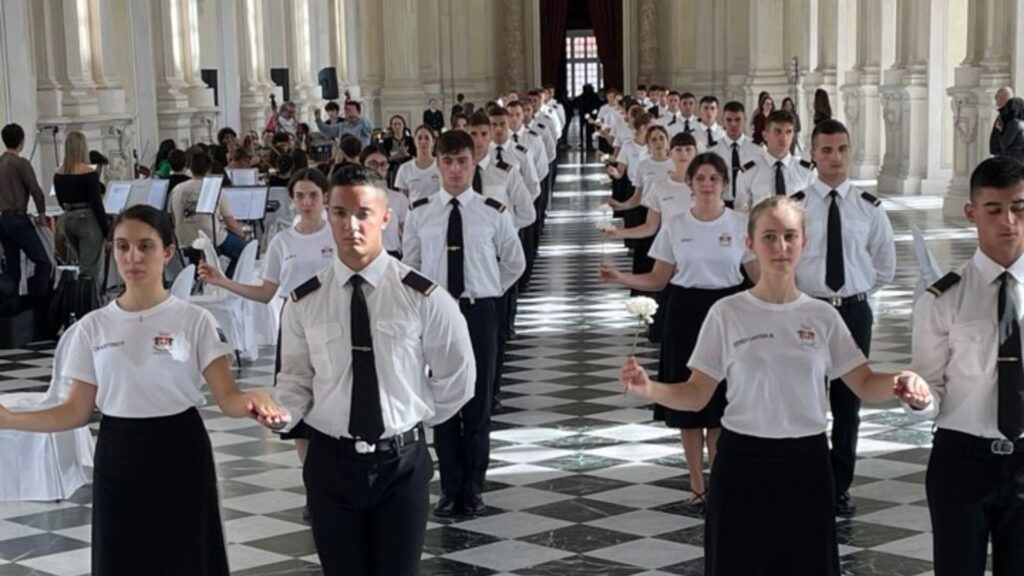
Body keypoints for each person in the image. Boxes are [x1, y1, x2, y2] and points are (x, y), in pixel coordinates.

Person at [619, 196, 931, 576]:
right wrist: (650, 389)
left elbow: (864, 382)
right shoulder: (727, 313)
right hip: (741, 463)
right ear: (749, 244)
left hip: (807, 464)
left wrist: (901, 381)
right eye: (769, 236)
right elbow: (697, 392)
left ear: (804, 243)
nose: (780, 247)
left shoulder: (822, 316)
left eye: (789, 236)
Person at [0, 204, 286, 575]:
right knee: (124, 558)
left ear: (167, 252)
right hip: (120, 452)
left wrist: (256, 398)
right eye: (122, 246)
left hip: (181, 447)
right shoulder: (93, 328)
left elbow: (229, 397)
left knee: (186, 555)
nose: (133, 257)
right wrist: (10, 419)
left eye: (145, 246)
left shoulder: (193, 319)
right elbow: (75, 411)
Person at [265, 165, 474, 575]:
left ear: (385, 216)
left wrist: (411, 417)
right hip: (330, 461)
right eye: (340, 213)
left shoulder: (423, 297)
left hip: (401, 463)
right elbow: (294, 380)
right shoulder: (304, 302)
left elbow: (458, 376)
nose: (350, 225)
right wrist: (281, 413)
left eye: (362, 213)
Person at [603, 153, 754, 512]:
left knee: (719, 405)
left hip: (728, 311)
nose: (706, 184)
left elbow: (756, 275)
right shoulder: (675, 226)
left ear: (724, 185)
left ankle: (718, 483)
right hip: (685, 312)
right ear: (690, 185)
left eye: (713, 179)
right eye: (700, 178)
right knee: (688, 405)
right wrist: (621, 277)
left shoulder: (739, 224)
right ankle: (697, 485)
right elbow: (658, 278)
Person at [906, 156, 1024, 576]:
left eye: (1019, 207)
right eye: (994, 209)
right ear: (972, 212)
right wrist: (918, 398)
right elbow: (931, 387)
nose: (1008, 220)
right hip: (962, 461)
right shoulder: (943, 298)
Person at [403, 130, 525, 518]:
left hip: (479, 311)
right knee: (442, 403)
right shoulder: (420, 212)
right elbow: (410, 268)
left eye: (462, 161)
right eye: (448, 161)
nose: (455, 169)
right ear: (437, 163)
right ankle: (449, 487)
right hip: (438, 314)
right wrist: (433, 304)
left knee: (476, 403)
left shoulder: (492, 211)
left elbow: (514, 263)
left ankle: (473, 488)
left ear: (474, 162)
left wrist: (487, 291)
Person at [794, 119, 896, 517]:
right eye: (826, 150)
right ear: (813, 155)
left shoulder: (868, 208)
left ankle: (839, 485)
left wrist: (853, 295)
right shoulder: (797, 205)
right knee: (806, 398)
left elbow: (884, 266)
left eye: (842, 149)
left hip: (853, 311)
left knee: (848, 402)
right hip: (808, 310)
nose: (835, 158)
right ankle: (807, 478)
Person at [168, 152, 250, 278]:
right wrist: (243, 234)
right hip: (211, 239)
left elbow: (173, 218)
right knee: (244, 251)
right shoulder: (215, 189)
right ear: (209, 169)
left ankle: (199, 280)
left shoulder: (177, 189)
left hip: (185, 240)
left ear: (190, 168)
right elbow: (231, 223)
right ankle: (229, 280)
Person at [54, 131, 109, 298]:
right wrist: (107, 231)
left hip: (68, 220)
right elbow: (97, 204)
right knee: (91, 269)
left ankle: (78, 304)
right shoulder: (88, 173)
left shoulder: (59, 173)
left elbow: (60, 201)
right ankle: (89, 306)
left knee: (80, 264)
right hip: (88, 221)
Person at [0, 123, 51, 298]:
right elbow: (36, 191)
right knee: (43, 262)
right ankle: (37, 304)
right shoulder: (21, 164)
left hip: (3, 220)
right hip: (18, 219)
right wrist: (42, 214)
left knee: (12, 268)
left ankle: (11, 311)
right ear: (21, 141)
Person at [734, 109, 816, 212]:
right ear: (765, 135)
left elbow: (814, 212)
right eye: (777, 131)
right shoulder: (749, 172)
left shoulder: (807, 172)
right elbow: (741, 213)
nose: (783, 137)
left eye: (788, 132)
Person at [709, 101, 763, 209]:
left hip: (749, 204)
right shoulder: (712, 151)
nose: (733, 124)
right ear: (722, 121)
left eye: (738, 119)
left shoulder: (758, 150)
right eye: (729, 120)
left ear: (745, 120)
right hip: (721, 203)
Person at [360, 145, 409, 259]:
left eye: (383, 164)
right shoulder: (352, 199)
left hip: (391, 256)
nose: (378, 169)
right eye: (373, 164)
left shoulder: (398, 199)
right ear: (362, 166)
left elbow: (408, 236)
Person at [394, 126, 440, 202]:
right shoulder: (404, 169)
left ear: (433, 142)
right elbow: (402, 198)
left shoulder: (443, 165)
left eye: (427, 138)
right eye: (419, 138)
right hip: (415, 212)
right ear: (414, 142)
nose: (423, 142)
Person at [990, 97, 1024, 163]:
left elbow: (1003, 145)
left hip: (1012, 160)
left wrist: (999, 131)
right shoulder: (1021, 123)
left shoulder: (1014, 123)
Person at [573, 83, 603, 152]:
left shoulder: (583, 96)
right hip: (588, 115)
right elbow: (598, 104)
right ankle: (588, 142)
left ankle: (585, 142)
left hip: (585, 114)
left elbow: (575, 104)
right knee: (588, 129)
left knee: (586, 129)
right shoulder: (593, 96)